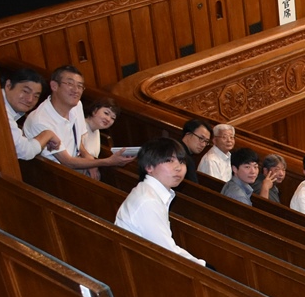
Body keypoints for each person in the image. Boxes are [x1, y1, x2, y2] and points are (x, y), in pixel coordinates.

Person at [23, 65, 133, 177]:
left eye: (80, 86)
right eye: (70, 84)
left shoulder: (76, 105)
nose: (76, 90)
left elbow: (78, 139)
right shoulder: (40, 120)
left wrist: (87, 157)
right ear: (54, 86)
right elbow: (67, 162)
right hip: (55, 173)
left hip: (76, 161)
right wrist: (108, 161)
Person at [115, 138, 205, 266]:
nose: (179, 168)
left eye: (182, 161)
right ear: (149, 167)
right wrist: (203, 266)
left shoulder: (148, 191)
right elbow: (167, 252)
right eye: (169, 161)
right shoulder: (148, 201)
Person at [1, 68, 58, 160]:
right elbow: (25, 152)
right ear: (8, 85)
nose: (30, 99)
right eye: (25, 91)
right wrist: (47, 134)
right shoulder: (0, 110)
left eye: (36, 96)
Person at [79, 97, 120, 164]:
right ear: (95, 110)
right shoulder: (80, 125)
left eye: (113, 118)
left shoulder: (96, 131)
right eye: (106, 113)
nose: (108, 119)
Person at [180, 119, 213, 183]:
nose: (203, 144)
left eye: (206, 141)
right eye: (201, 138)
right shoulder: (185, 158)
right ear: (188, 133)